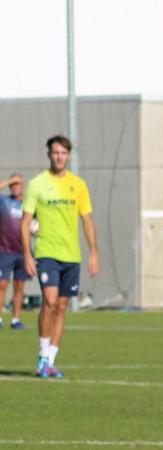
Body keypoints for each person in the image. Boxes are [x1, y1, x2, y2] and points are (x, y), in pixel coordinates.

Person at [21, 136, 99, 378]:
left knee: (62, 307)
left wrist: (94, 252)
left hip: (71, 256)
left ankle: (51, 362)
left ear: (69, 155)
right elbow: (25, 222)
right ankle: (42, 356)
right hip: (47, 254)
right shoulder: (37, 184)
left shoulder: (79, 185)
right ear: (49, 155)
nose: (59, 156)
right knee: (50, 301)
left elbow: (87, 220)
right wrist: (27, 254)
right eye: (55, 152)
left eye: (63, 153)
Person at [0, 173, 30, 329]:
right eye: (13, 184)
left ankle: (15, 320)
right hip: (4, 250)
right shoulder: (4, 201)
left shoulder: (29, 204)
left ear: (23, 186)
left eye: (18, 183)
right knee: (2, 284)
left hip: (22, 252)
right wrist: (9, 180)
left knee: (19, 285)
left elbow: (36, 224)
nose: (15, 187)